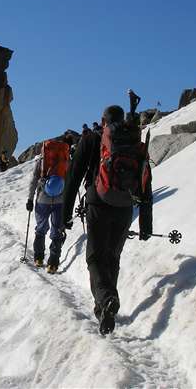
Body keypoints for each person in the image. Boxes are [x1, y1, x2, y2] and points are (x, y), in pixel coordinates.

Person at [62, 101, 153, 335]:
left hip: (98, 203)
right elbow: (145, 180)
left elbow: (73, 177)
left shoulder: (92, 139)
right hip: (125, 206)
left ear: (103, 121)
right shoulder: (133, 143)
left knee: (94, 258)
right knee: (112, 257)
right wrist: (145, 224)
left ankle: (106, 298)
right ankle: (104, 307)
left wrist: (65, 215)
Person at [26, 140, 70, 274]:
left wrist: (30, 198)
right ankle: (53, 263)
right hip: (60, 200)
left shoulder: (42, 160)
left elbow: (34, 180)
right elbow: (69, 181)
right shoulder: (66, 161)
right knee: (57, 231)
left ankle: (38, 258)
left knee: (41, 229)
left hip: (43, 200)